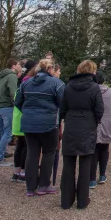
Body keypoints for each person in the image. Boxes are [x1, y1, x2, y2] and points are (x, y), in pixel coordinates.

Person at [14, 59, 65, 196]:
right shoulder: (57, 84)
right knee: (49, 152)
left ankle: (30, 187)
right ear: (50, 69)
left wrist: (28, 112)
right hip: (48, 122)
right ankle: (43, 184)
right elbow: (63, 103)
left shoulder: (26, 83)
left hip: (29, 122)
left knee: (32, 152)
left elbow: (18, 102)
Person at [60, 60, 103, 210]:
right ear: (92, 71)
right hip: (87, 125)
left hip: (71, 125)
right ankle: (82, 200)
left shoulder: (68, 86)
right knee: (85, 164)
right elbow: (99, 109)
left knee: (68, 164)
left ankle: (66, 200)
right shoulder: (94, 87)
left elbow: (63, 108)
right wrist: (94, 121)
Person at [89, 71, 111, 189]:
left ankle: (92, 179)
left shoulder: (90, 91)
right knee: (104, 149)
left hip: (93, 123)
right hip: (107, 122)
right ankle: (102, 175)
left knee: (93, 151)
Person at [0, 58, 22, 166]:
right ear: (13, 66)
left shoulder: (1, 76)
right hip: (7, 107)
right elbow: (13, 93)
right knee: (7, 132)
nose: (19, 66)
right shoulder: (11, 76)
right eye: (18, 64)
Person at [11, 60, 37, 183]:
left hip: (17, 120)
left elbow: (16, 102)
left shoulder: (19, 88)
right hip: (24, 120)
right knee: (26, 147)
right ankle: (23, 172)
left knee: (19, 146)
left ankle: (16, 173)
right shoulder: (26, 88)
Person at [51, 64, 62, 186]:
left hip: (36, 120)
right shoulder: (58, 84)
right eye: (58, 71)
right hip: (53, 120)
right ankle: (49, 179)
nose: (60, 73)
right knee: (53, 149)